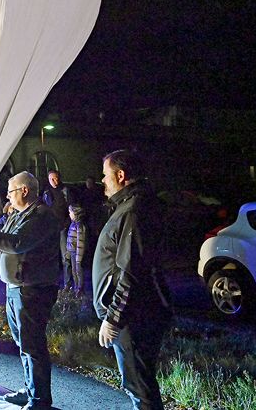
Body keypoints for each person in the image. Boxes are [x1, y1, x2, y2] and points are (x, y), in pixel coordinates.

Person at [0, 171, 59, 410]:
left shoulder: (41, 216)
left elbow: (15, 244)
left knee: (32, 344)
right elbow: (3, 246)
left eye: (11, 191)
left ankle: (40, 400)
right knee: (23, 343)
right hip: (16, 287)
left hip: (33, 289)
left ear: (24, 191)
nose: (7, 196)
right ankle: (31, 390)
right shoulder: (19, 215)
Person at [93, 150, 172, 410]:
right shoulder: (130, 206)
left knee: (139, 384)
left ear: (121, 175)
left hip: (134, 316)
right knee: (139, 382)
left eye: (105, 175)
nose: (102, 181)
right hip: (137, 313)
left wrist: (113, 318)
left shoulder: (134, 210)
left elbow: (131, 272)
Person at [42, 170, 72, 289]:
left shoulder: (64, 190)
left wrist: (67, 223)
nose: (55, 181)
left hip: (63, 228)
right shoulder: (46, 192)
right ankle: (52, 283)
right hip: (51, 229)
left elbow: (71, 207)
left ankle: (67, 285)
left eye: (56, 178)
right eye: (52, 179)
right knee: (52, 257)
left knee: (66, 258)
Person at [66, 204, 87, 296]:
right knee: (74, 271)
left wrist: (79, 258)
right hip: (72, 252)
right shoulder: (73, 224)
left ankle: (80, 289)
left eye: (70, 212)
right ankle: (76, 288)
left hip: (76, 253)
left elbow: (80, 242)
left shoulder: (79, 226)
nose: (69, 214)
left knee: (78, 271)